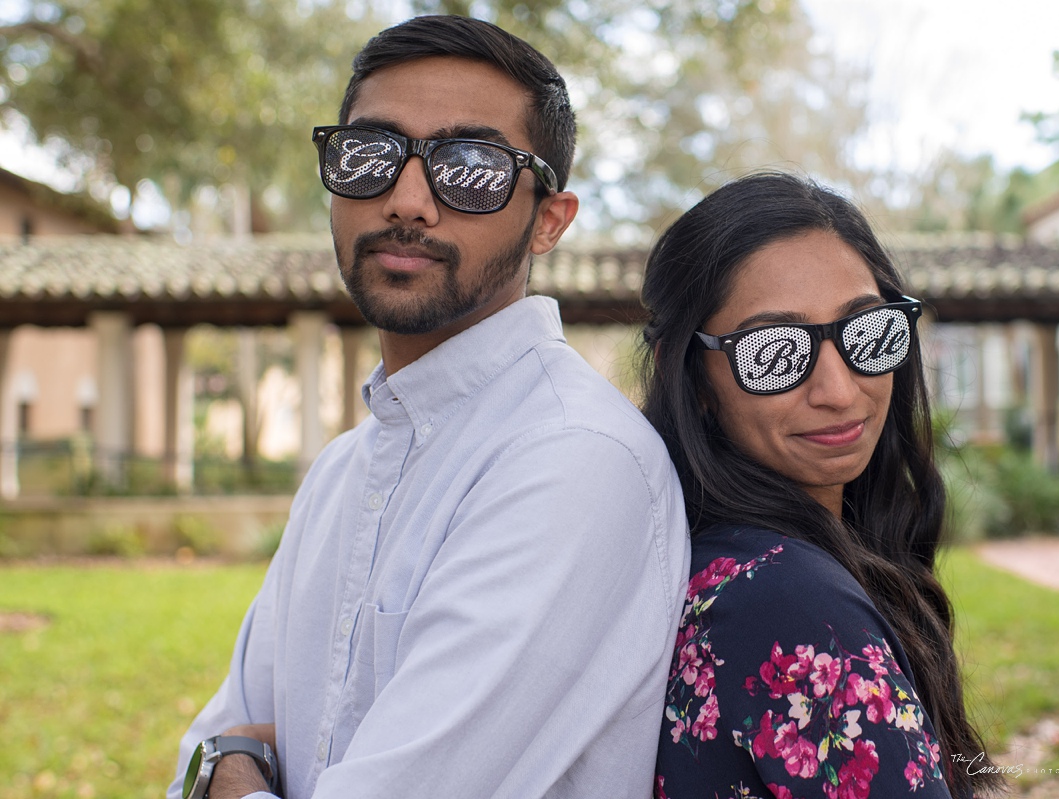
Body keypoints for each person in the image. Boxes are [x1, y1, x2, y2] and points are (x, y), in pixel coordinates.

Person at [169, 16, 690, 799]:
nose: (407, 200)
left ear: (549, 219)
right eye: (370, 155)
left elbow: (225, 757)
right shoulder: (343, 470)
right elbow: (210, 742)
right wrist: (225, 761)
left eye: (470, 166)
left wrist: (232, 772)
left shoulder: (576, 461)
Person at [641, 173, 1002, 799]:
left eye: (869, 332)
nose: (838, 392)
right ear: (694, 378)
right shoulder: (786, 599)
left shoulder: (718, 564)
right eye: (773, 351)